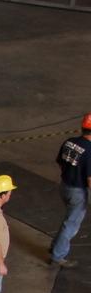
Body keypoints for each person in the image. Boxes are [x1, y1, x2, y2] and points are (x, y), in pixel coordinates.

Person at [50, 114, 91, 268]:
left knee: (68, 220)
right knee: (71, 225)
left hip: (65, 186)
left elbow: (60, 162)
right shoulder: (90, 151)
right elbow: (90, 180)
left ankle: (55, 246)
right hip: (78, 193)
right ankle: (58, 255)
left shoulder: (69, 142)